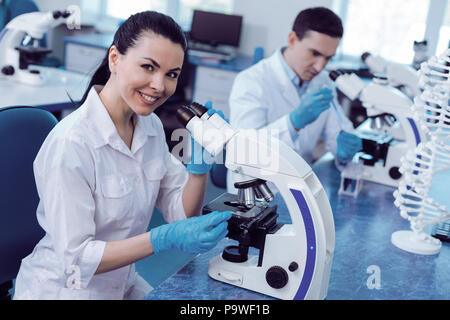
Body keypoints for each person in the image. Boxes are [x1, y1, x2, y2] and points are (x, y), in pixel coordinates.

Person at [13, 11, 231, 300]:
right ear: (115, 58)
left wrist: (198, 169)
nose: (159, 85)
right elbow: (77, 260)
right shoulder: (72, 143)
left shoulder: (149, 125)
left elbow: (182, 215)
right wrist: (161, 238)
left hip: (122, 284)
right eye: (148, 67)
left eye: (171, 74)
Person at [227, 7, 362, 193]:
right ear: (292, 39)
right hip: (258, 192)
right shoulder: (251, 81)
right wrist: (292, 124)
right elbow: (247, 154)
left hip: (301, 189)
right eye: (314, 53)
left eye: (328, 58)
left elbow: (337, 132)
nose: (320, 66)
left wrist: (344, 149)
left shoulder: (323, 82)